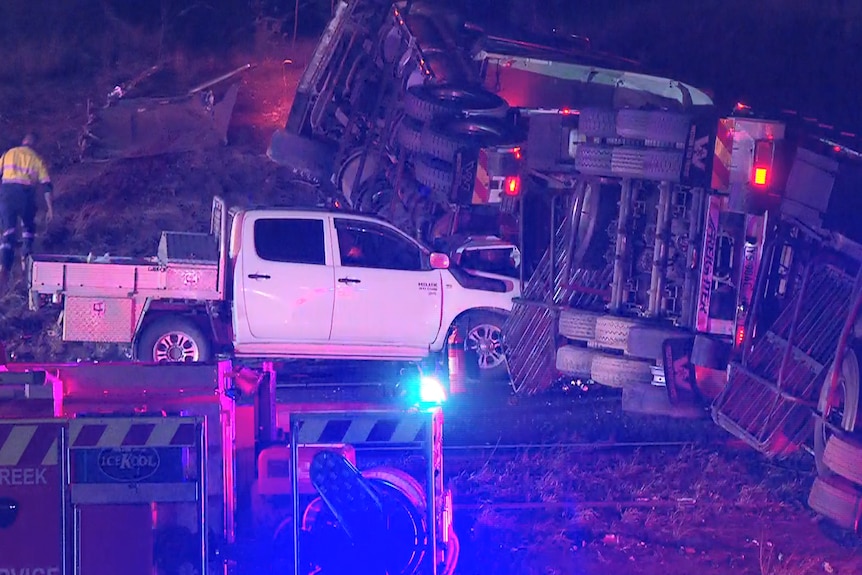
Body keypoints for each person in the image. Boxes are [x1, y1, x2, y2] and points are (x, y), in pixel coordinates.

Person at [0, 132, 54, 289]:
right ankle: (26, 270)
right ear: (35, 143)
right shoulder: (36, 159)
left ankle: (4, 269)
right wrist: (50, 209)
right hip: (25, 197)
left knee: (8, 233)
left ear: (23, 140)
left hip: (7, 196)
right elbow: (46, 186)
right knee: (28, 231)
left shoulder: (9, 153)